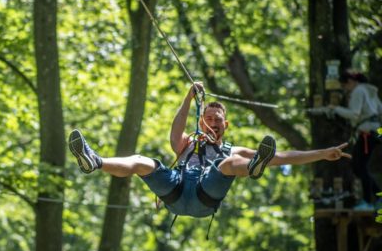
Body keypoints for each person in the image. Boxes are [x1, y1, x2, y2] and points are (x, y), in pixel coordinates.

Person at [69, 82, 351, 219]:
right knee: (144, 162)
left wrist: (322, 153)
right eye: (209, 119)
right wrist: (188, 98)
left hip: (206, 197)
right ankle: (95, 161)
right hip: (176, 193)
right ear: (202, 120)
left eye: (218, 120)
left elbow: (282, 157)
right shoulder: (188, 143)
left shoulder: (230, 149)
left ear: (225, 124)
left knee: (230, 163)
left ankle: (253, 167)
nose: (213, 124)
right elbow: (174, 131)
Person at [331, 71, 382, 208]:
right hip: (374, 131)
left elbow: (354, 114)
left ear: (350, 81)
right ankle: (378, 197)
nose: (345, 88)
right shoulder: (371, 91)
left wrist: (336, 109)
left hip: (366, 132)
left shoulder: (358, 91)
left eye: (344, 85)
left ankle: (367, 201)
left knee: (359, 166)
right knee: (359, 166)